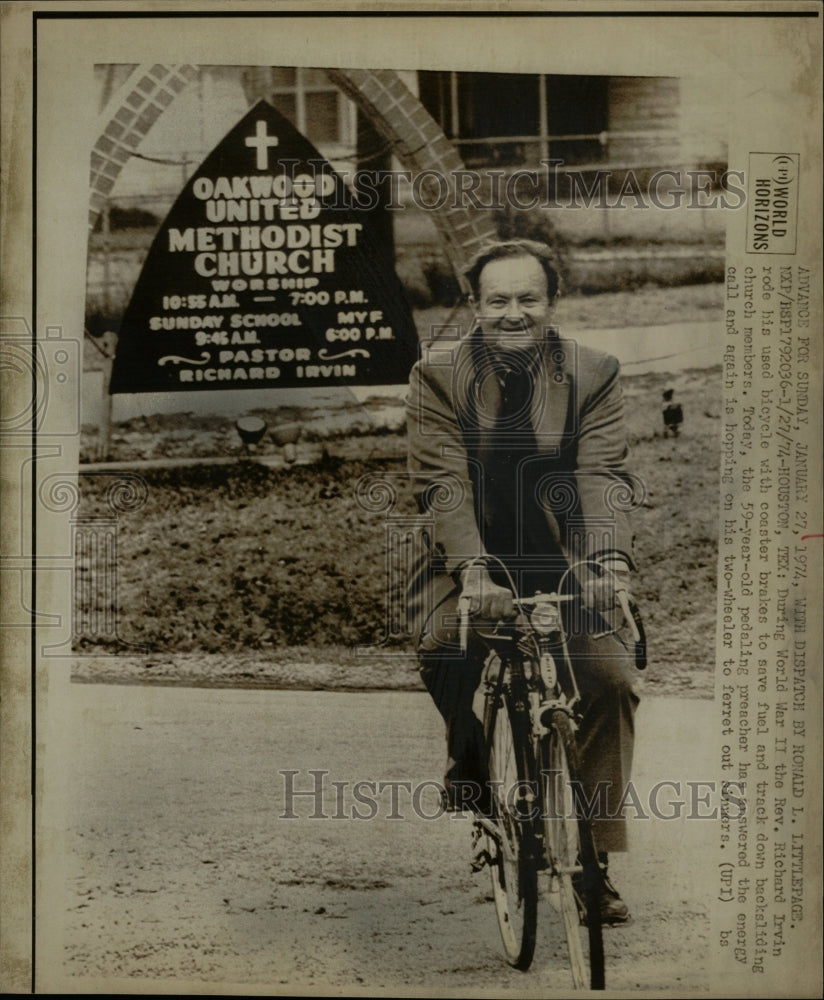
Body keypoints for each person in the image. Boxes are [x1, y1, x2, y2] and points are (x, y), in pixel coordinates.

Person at [405, 239, 641, 923]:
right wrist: (474, 569)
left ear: (550, 302)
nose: (515, 313)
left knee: (609, 677)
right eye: (499, 300)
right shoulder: (437, 376)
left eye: (528, 299)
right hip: (465, 560)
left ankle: (594, 861)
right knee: (447, 645)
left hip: (561, 558)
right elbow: (440, 483)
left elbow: (602, 477)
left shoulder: (592, 373)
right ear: (475, 306)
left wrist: (607, 565)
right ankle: (480, 789)